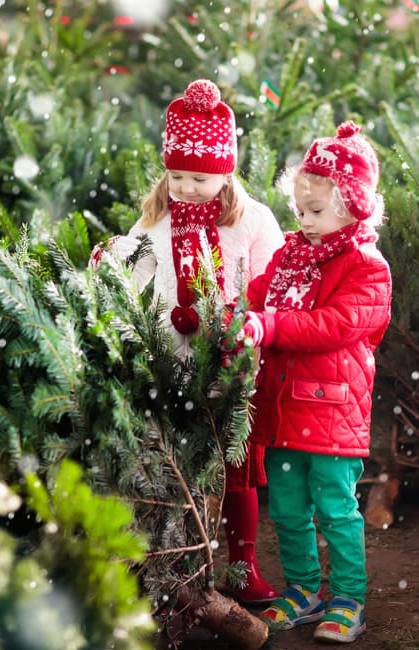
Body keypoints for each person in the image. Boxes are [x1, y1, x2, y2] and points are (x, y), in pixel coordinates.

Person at [95, 79, 285, 604]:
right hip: (171, 362)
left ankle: (243, 564)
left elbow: (271, 283)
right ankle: (181, 566)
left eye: (198, 177)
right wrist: (112, 258)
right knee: (178, 465)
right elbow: (134, 264)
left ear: (225, 171)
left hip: (228, 363)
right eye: (176, 175)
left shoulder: (251, 221)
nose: (185, 187)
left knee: (234, 468)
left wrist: (241, 324)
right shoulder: (157, 216)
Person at [229, 120, 391, 642]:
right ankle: (302, 590)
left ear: (353, 207)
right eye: (299, 209)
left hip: (331, 409)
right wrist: (232, 313)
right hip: (282, 407)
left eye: (316, 211)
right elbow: (259, 293)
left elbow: (335, 326)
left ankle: (348, 598)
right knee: (289, 508)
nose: (304, 220)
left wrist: (270, 324)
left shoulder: (367, 267)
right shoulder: (291, 256)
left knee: (336, 508)